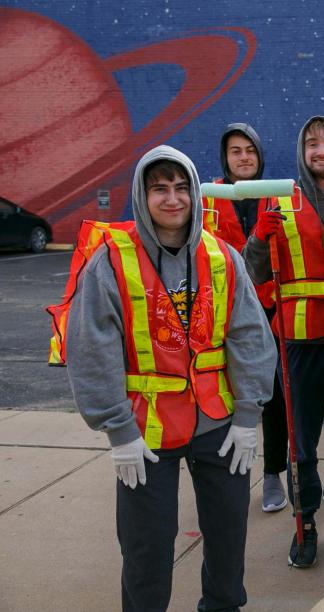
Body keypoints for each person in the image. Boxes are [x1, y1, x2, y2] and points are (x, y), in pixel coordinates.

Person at [64, 145, 276, 611]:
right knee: (146, 549)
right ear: (142, 197)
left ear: (195, 193)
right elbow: (90, 350)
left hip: (219, 423)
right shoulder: (111, 261)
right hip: (145, 432)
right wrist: (118, 431)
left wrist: (247, 414)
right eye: (160, 189)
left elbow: (249, 335)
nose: (173, 199)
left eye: (182, 188)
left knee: (227, 540)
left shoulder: (223, 256)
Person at [243, 115, 324, 565]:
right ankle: (305, 522)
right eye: (312, 144)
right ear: (301, 151)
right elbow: (255, 270)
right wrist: (258, 238)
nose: (322, 151)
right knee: (302, 442)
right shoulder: (278, 196)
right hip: (300, 340)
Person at [202, 123, 289, 513]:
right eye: (235, 150)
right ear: (226, 157)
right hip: (220, 313)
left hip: (269, 311)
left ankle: (272, 474)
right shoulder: (207, 197)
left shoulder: (277, 197)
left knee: (272, 398)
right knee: (221, 396)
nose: (243, 157)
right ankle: (225, 473)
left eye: (250, 150)